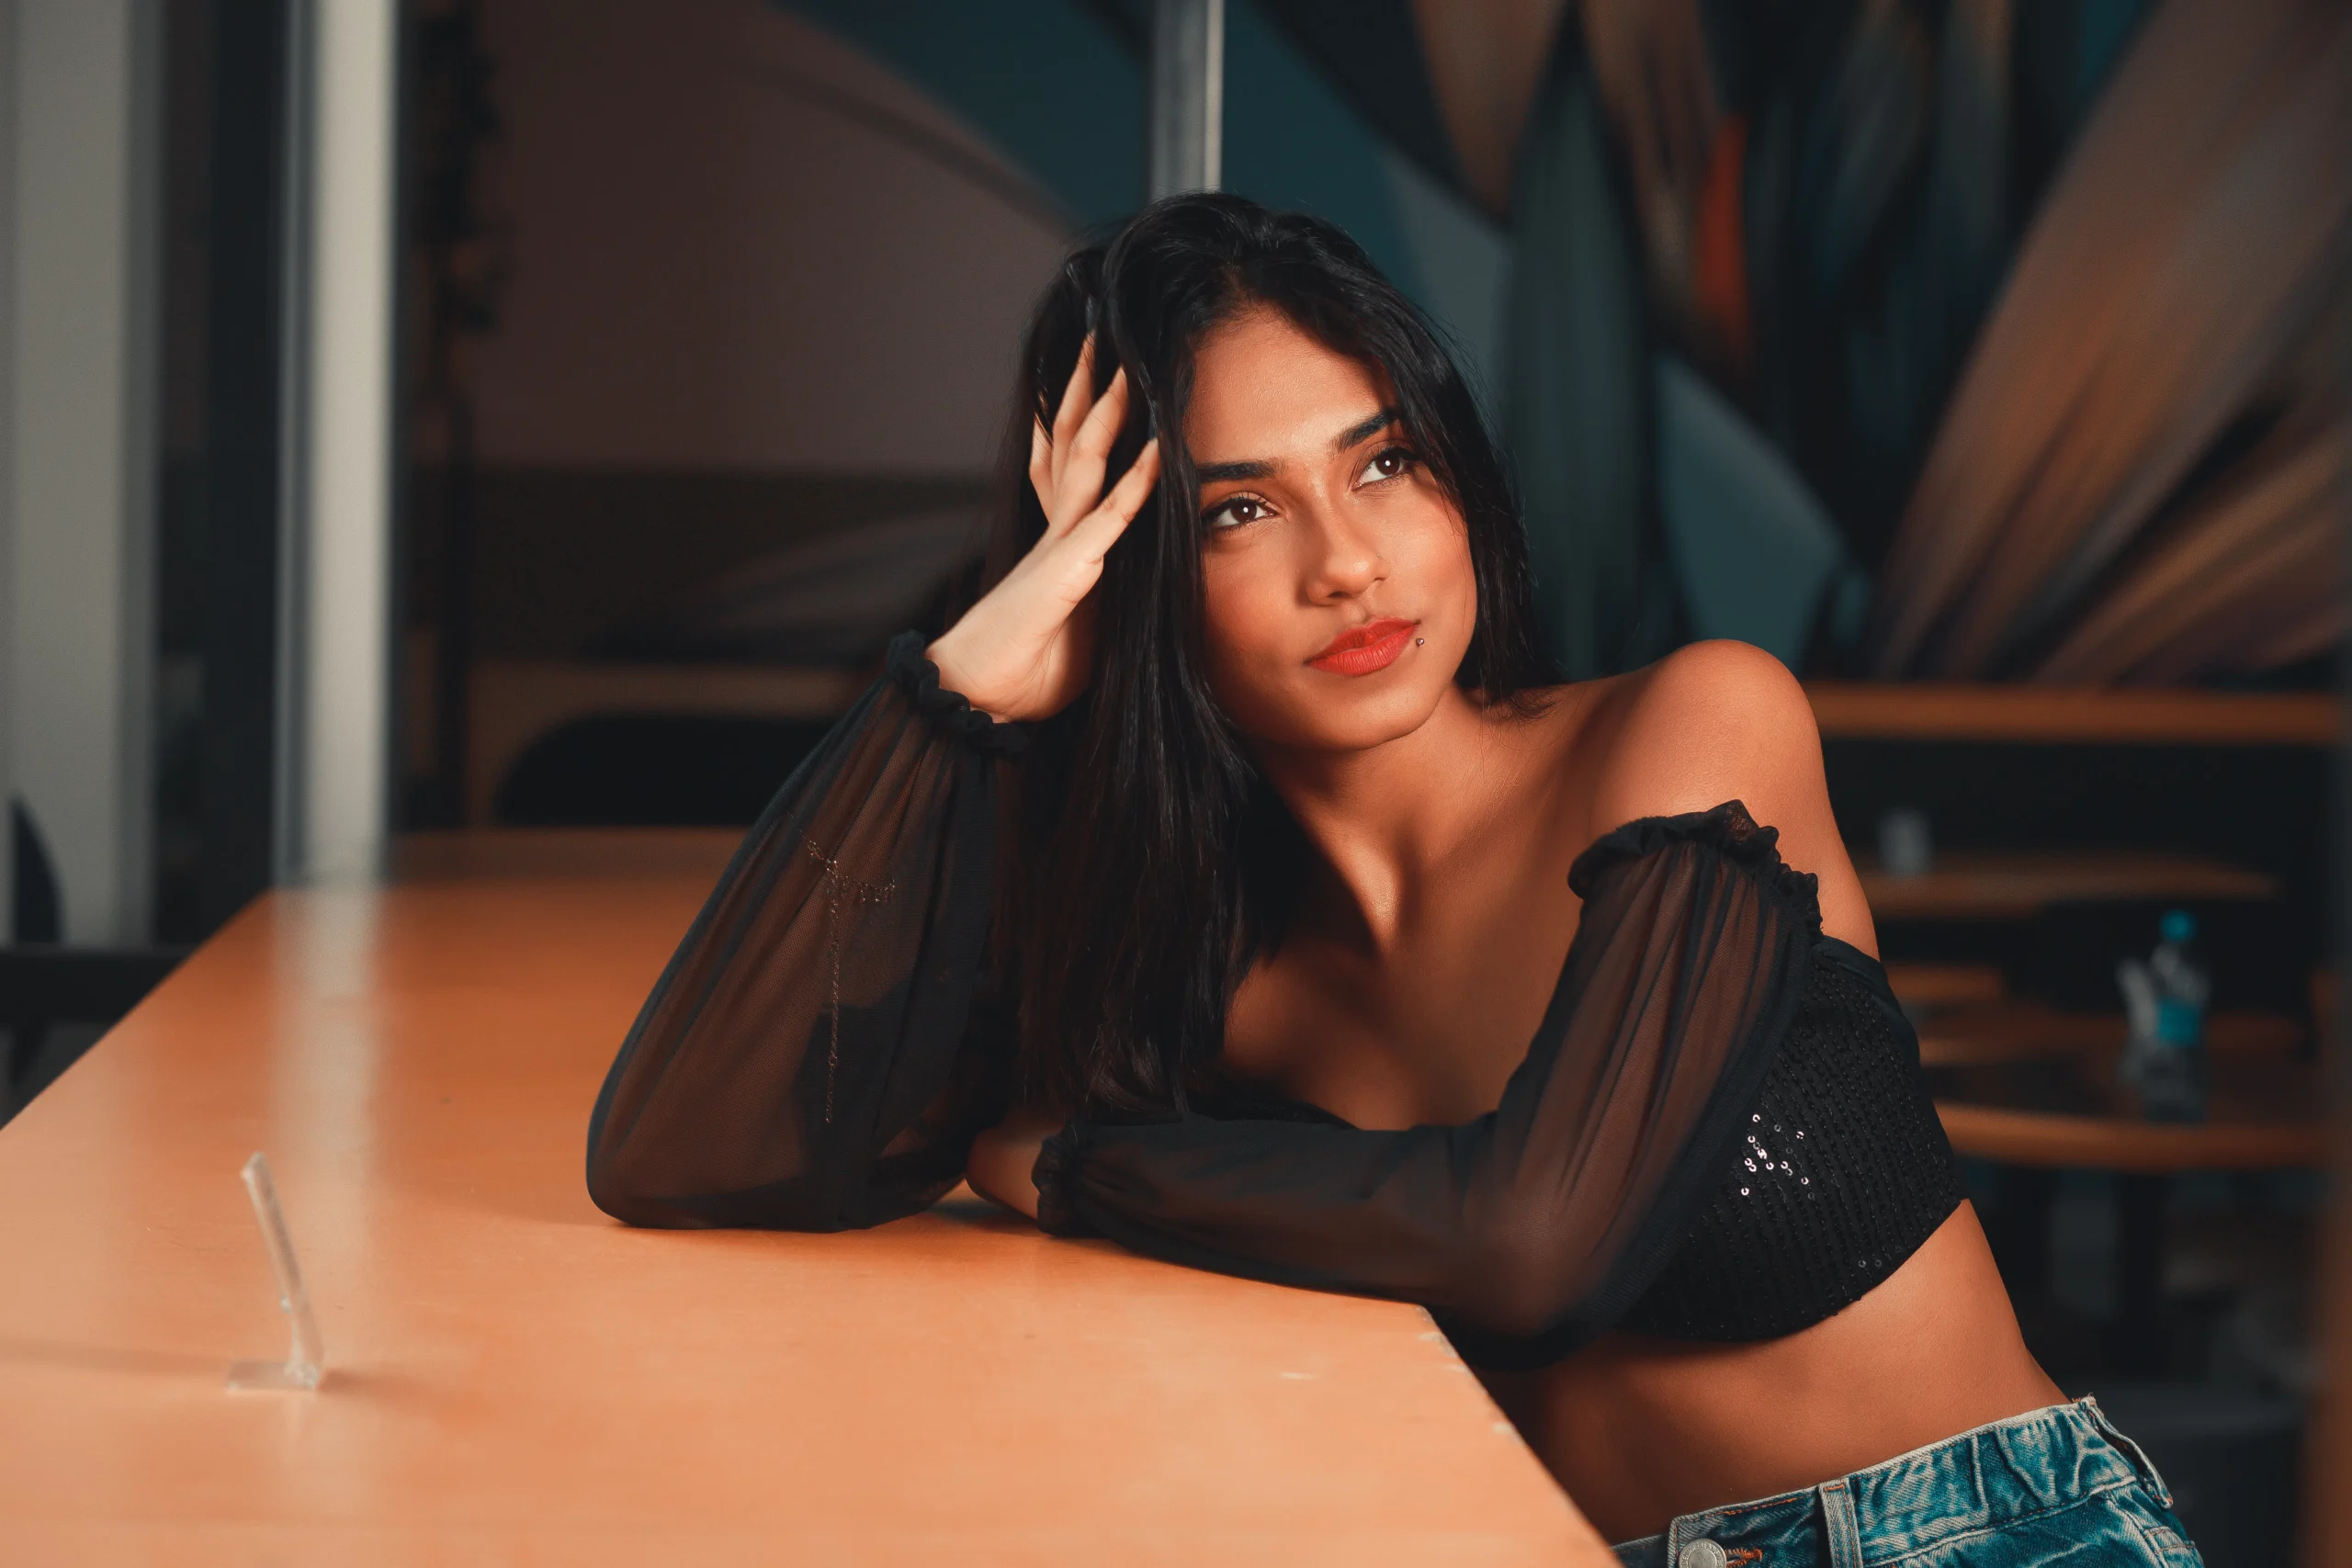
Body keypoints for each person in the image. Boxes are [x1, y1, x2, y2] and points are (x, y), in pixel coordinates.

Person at [585, 194, 2200, 1561]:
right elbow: (690, 1152)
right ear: (1131, 570)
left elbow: (1532, 1238)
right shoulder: (1206, 965)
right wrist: (958, 692)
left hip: (1986, 1534)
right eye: (1236, 510)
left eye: (1380, 464)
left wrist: (1083, 1163)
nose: (1345, 561)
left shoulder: (1701, 727)